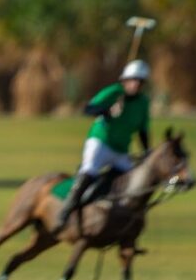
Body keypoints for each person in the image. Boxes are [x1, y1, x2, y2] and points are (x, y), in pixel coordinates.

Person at [55, 59, 151, 233]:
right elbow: (88, 109)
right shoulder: (114, 92)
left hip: (121, 150)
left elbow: (142, 130)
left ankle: (119, 217)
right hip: (101, 142)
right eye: (133, 80)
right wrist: (108, 111)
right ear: (125, 80)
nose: (136, 84)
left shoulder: (143, 102)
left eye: (140, 81)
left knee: (132, 179)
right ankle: (66, 210)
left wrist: (147, 151)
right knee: (90, 170)